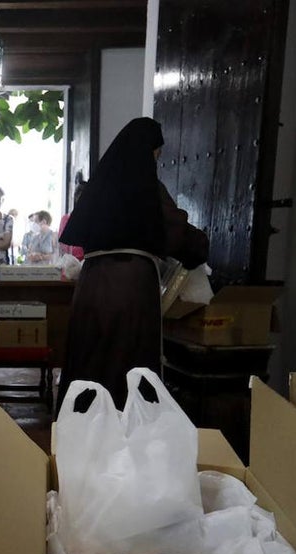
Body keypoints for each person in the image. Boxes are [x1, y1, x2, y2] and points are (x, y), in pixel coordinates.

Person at [56, 117, 209, 409]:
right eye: (156, 154)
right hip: (130, 286)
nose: (156, 160)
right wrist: (199, 248)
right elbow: (176, 233)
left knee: (89, 361)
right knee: (126, 365)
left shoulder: (99, 186)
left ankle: (81, 433)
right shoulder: (146, 186)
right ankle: (123, 440)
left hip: (91, 285)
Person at [58, 180, 88, 260]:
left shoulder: (94, 220)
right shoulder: (66, 219)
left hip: (87, 262)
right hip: (70, 263)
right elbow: (63, 246)